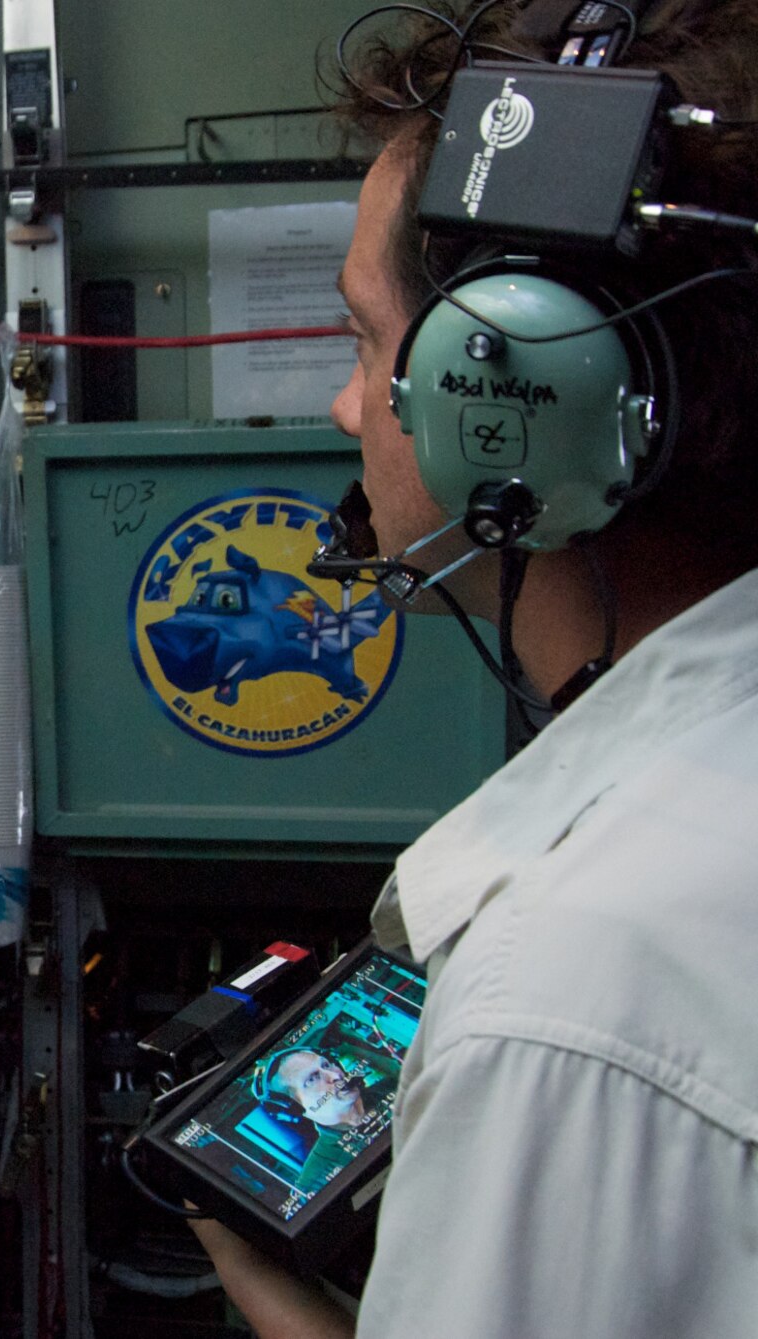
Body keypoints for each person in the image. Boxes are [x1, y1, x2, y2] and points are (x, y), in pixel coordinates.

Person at [192, 4, 758, 1336]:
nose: (345, 408)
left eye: (364, 338)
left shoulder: (564, 998)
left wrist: (301, 1318)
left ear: (496, 399)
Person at [252, 1045, 398, 1197]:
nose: (334, 1076)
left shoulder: (398, 1083)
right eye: (312, 1079)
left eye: (326, 1065)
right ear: (295, 1108)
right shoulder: (313, 1182)